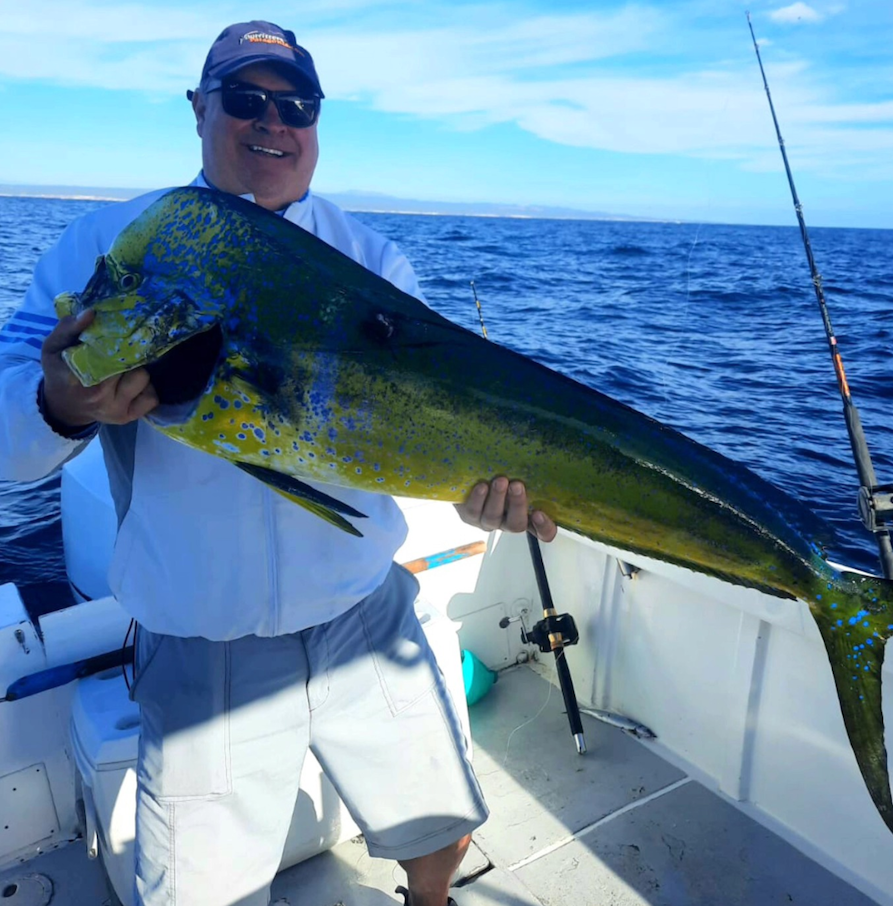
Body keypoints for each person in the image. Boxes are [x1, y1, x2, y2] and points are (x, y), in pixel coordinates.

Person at [0, 21, 556, 906]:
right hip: (201, 641)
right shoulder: (104, 247)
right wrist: (61, 401)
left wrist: (489, 493)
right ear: (197, 109)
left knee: (439, 831)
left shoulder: (371, 259)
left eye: (296, 104)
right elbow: (10, 438)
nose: (273, 121)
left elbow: (446, 419)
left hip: (364, 610)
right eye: (246, 99)